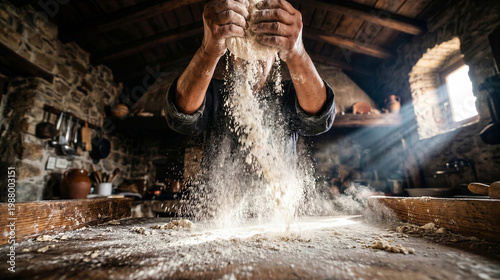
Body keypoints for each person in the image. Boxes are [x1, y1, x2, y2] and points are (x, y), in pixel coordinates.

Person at [164, 0, 335, 173]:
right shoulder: (214, 94)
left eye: (261, 57)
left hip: (277, 198)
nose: (252, 63)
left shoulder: (288, 94)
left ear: (274, 57)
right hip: (221, 198)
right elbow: (181, 116)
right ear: (231, 54)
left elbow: (319, 119)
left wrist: (297, 54)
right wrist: (208, 51)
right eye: (244, 58)